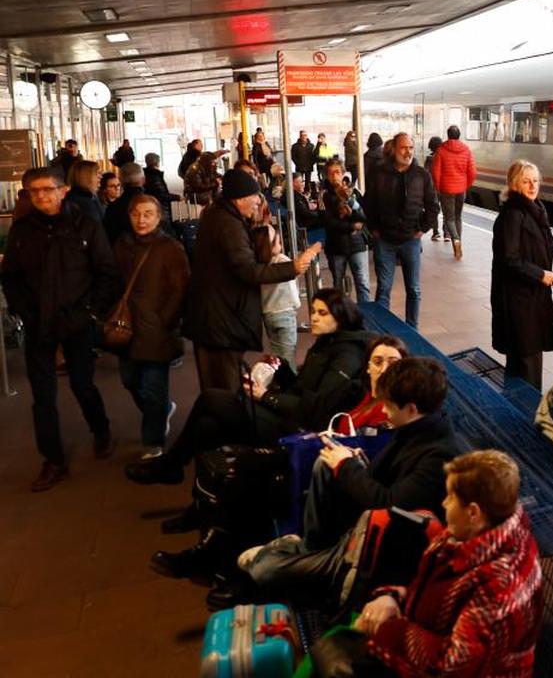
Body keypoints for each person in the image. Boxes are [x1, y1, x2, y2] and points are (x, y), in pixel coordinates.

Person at [236, 357, 461, 607]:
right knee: (325, 464)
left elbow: (387, 504)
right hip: (365, 528)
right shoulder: (414, 429)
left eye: (388, 405)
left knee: (262, 570)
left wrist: (348, 466)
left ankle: (310, 564)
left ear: (410, 409)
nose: (384, 411)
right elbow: (387, 480)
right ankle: (310, 548)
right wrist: (357, 461)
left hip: (379, 550)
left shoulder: (438, 455)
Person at [128, 287, 371, 488]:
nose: (314, 317)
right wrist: (283, 369)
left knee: (211, 399)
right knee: (206, 427)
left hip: (300, 428)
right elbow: (304, 387)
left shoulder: (347, 354)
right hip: (289, 414)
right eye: (314, 311)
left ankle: (171, 466)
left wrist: (266, 397)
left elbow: (318, 406)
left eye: (322, 313)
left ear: (340, 317)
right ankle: (198, 499)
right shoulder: (327, 343)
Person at [349, 450, 543, 678]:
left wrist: (388, 630)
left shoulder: (500, 585)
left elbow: (453, 664)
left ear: (473, 513)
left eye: (450, 497)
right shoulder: (470, 537)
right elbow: (429, 594)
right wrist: (392, 597)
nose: (443, 503)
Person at [1, 167, 120, 491]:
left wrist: (90, 312)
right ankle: (53, 460)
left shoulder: (86, 225)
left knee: (83, 385)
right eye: (33, 191)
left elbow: (106, 272)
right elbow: (10, 276)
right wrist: (24, 310)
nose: (40, 196)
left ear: (63, 190)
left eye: (46, 189)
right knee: (42, 397)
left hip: (77, 323)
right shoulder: (22, 230)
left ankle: (101, 430)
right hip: (39, 325)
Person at [181, 168, 320, 392]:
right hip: (220, 322)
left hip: (213, 318)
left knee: (218, 386)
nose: (258, 202)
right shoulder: (228, 224)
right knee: (225, 389)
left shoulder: (219, 216)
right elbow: (248, 270)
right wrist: (292, 267)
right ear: (241, 198)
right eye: (255, 197)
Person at [114, 194, 189, 459]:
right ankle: (163, 410)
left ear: (158, 218)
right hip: (129, 329)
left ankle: (153, 440)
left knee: (154, 385)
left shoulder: (170, 248)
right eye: (136, 214)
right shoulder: (121, 245)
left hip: (158, 330)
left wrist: (165, 320)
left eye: (148, 214)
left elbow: (181, 288)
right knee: (130, 380)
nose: (141, 219)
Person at [491, 159, 553, 389]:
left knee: (521, 361)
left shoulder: (534, 209)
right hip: (519, 301)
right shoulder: (513, 214)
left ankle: (513, 413)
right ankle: (526, 417)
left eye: (535, 181)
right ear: (513, 185)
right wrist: (540, 274)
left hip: (530, 298)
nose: (532, 186)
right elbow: (509, 259)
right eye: (526, 181)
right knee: (527, 363)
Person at [363, 133, 436, 326]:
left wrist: (422, 229)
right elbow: (368, 203)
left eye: (411, 148)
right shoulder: (379, 174)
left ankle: (412, 328)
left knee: (413, 289)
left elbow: (433, 206)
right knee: (383, 289)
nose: (408, 152)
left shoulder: (422, 175)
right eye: (404, 148)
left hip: (410, 240)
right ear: (394, 149)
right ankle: (382, 329)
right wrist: (373, 229)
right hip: (385, 240)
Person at [322, 160, 371, 304]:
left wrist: (349, 200)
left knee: (362, 282)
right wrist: (351, 226)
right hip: (336, 246)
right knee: (338, 283)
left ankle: (365, 316)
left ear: (343, 173)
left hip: (357, 244)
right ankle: (341, 316)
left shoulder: (354, 192)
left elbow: (363, 217)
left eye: (337, 172)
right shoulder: (324, 195)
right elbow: (328, 223)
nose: (334, 176)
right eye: (331, 173)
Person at [254, 225, 301, 370]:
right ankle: (290, 386)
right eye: (278, 242)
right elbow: (295, 276)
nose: (280, 245)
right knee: (289, 356)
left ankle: (281, 381)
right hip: (285, 313)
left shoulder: (258, 266)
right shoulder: (281, 260)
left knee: (278, 356)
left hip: (268, 315)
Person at [431, 125, 477, 260]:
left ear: (448, 135)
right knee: (458, 217)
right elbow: (473, 172)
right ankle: (459, 243)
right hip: (461, 189)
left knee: (449, 218)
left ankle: (455, 240)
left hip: (446, 189)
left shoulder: (441, 150)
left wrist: (439, 187)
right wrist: (465, 185)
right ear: (459, 135)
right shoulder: (466, 150)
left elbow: (436, 172)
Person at [104, 162, 150, 245]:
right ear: (143, 180)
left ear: (121, 182)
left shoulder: (112, 208)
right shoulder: (152, 204)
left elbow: (109, 238)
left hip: (122, 254)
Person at [143, 152, 178, 222]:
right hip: (161, 208)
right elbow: (161, 195)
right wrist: (177, 197)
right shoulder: (155, 176)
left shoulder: (146, 174)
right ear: (157, 163)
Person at [423, 136, 444, 241]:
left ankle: (436, 232)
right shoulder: (445, 157)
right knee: (446, 211)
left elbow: (425, 174)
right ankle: (447, 234)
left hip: (433, 189)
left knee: (434, 210)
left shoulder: (429, 159)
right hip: (444, 188)